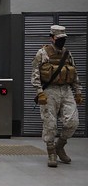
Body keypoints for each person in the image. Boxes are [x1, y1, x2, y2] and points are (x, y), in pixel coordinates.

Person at [32, 24, 83, 168]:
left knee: (72, 122)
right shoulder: (42, 53)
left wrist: (78, 92)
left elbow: (74, 74)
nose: (62, 41)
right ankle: (51, 152)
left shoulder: (67, 54)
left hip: (66, 91)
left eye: (63, 38)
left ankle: (60, 145)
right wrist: (39, 92)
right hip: (50, 91)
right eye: (59, 38)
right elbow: (35, 75)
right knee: (50, 124)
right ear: (52, 38)